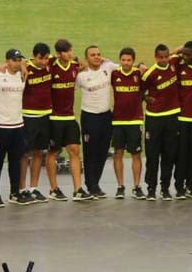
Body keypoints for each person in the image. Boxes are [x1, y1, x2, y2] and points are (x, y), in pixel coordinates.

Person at [47, 38, 89, 201]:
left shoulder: (74, 66)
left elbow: (83, 63)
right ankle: (53, 189)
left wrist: (80, 60)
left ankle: (78, 189)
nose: (70, 54)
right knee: (53, 152)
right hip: (54, 118)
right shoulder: (51, 66)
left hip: (70, 117)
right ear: (58, 53)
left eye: (70, 50)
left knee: (75, 151)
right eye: (66, 51)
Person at [76, 44, 117, 198]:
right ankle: (91, 184)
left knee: (102, 152)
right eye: (93, 55)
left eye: (99, 54)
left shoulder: (108, 67)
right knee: (90, 152)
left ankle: (95, 184)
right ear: (86, 58)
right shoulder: (80, 75)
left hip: (106, 116)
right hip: (89, 117)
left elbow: (126, 67)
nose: (97, 57)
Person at [142, 43, 181, 201]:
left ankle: (165, 188)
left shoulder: (174, 63)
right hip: (154, 118)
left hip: (172, 116)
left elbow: (184, 49)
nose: (164, 60)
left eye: (166, 57)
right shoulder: (149, 74)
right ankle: (151, 189)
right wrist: (145, 98)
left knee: (169, 154)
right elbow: (139, 91)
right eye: (160, 57)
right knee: (152, 155)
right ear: (155, 57)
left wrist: (173, 51)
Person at [0, 49, 28, 206]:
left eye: (19, 59)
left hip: (18, 125)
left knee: (15, 161)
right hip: (0, 126)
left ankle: (15, 192)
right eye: (14, 60)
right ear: (7, 61)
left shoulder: (22, 75)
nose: (17, 62)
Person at [20, 42, 54, 204]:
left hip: (46, 115)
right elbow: (12, 63)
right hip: (29, 116)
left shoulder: (50, 64)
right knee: (25, 154)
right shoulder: (26, 67)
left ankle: (33, 188)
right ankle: (21, 189)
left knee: (39, 152)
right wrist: (22, 63)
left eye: (46, 58)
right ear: (34, 56)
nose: (43, 62)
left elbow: (69, 58)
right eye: (40, 58)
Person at [111, 47, 145, 199]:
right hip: (118, 121)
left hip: (135, 120)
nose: (126, 63)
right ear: (120, 60)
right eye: (123, 60)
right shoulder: (114, 74)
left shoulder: (139, 74)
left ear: (133, 61)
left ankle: (137, 187)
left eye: (129, 60)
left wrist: (143, 66)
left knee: (136, 154)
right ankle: (120, 186)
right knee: (118, 153)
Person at [171, 41, 192, 199]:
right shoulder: (179, 66)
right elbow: (164, 60)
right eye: (183, 54)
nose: (185, 57)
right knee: (181, 154)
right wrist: (176, 51)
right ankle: (179, 186)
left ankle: (190, 185)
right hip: (182, 118)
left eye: (188, 55)